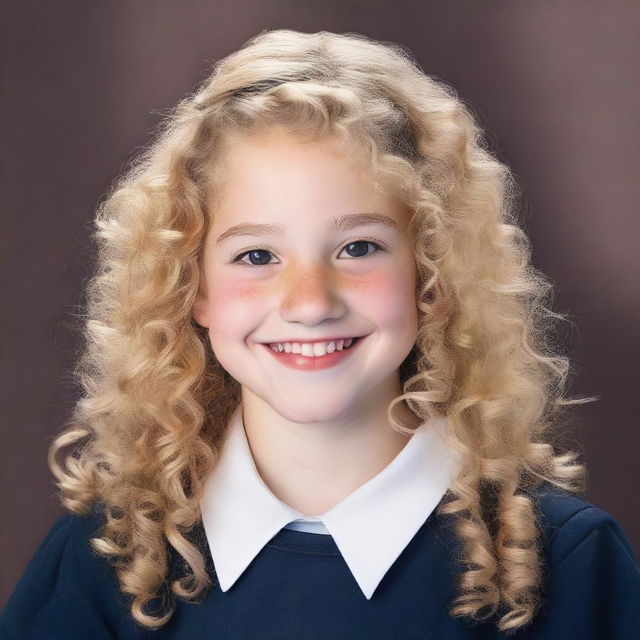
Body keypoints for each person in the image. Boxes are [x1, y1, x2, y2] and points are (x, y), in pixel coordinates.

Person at [1, 28, 639, 640]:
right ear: (190, 287)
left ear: (433, 275)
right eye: (256, 256)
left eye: (359, 247)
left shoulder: (565, 564)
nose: (309, 302)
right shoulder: (107, 560)